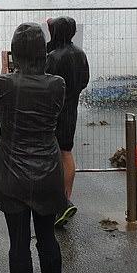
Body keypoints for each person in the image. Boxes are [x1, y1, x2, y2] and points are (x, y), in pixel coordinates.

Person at [0, 23, 66, 273]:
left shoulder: (2, 83)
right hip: (47, 171)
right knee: (47, 239)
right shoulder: (57, 85)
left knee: (18, 244)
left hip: (12, 172)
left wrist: (4, 74)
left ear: (15, 53)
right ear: (42, 52)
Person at [45, 17, 90, 227]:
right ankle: (66, 197)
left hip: (53, 111)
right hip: (71, 109)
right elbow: (84, 81)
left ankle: (58, 203)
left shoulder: (53, 57)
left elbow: (45, 82)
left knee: (51, 155)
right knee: (66, 152)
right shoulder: (80, 53)